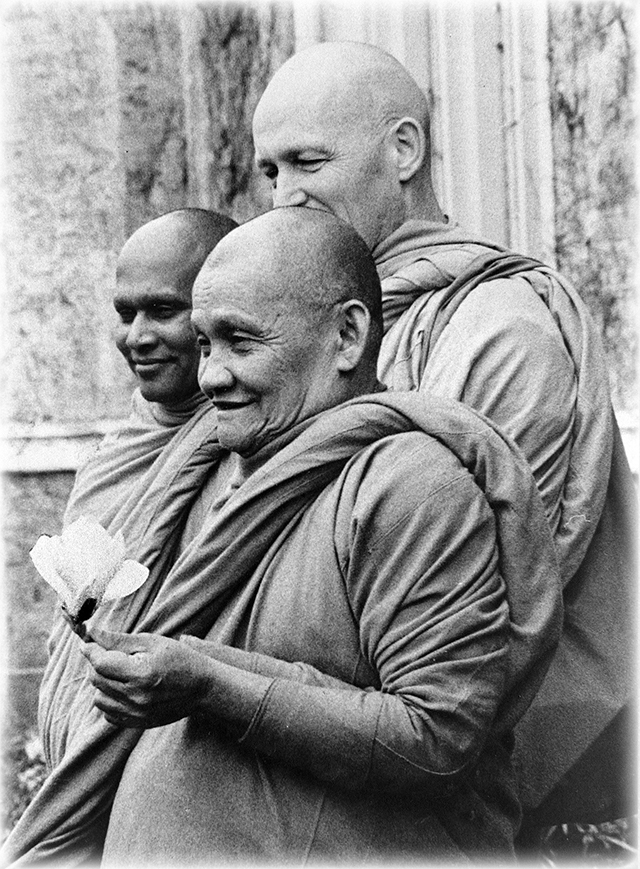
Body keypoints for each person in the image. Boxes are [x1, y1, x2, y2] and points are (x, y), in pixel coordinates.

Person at [2, 208, 562, 865]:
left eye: (239, 341)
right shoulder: (198, 467)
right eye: (206, 344)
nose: (208, 375)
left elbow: (437, 738)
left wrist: (208, 683)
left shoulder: (410, 484)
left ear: (347, 335)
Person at [252, 40, 636, 830]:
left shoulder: (502, 328)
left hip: (452, 758)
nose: (284, 197)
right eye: (270, 172)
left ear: (403, 149)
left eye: (308, 163)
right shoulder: (334, 314)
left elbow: (471, 592)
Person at [36, 208, 237, 778]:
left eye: (165, 311)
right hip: (79, 769)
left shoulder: (251, 452)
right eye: (125, 314)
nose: (138, 337)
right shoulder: (117, 451)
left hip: (184, 777)